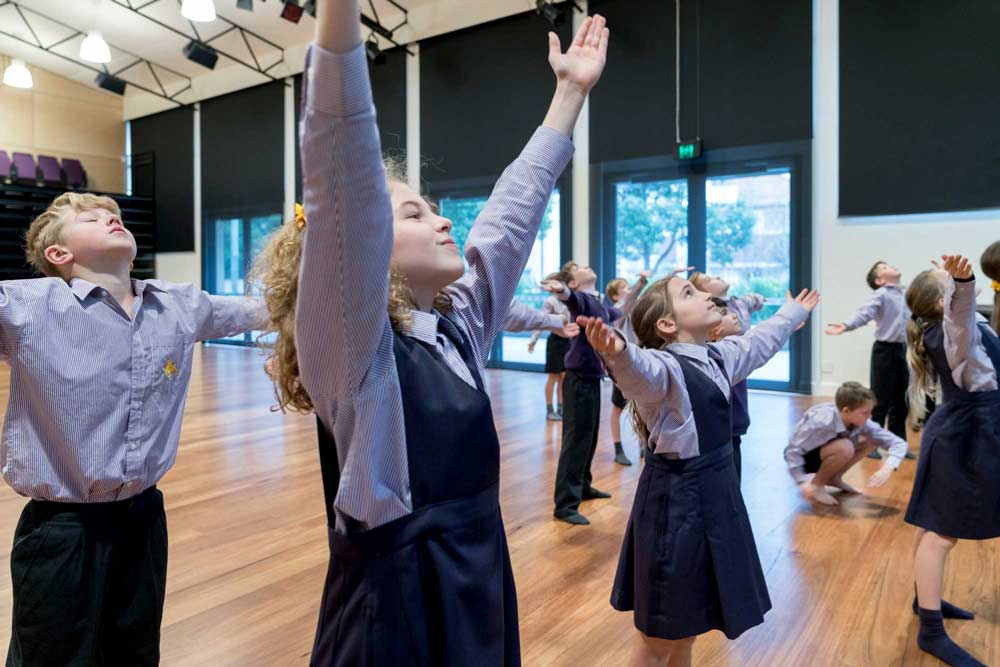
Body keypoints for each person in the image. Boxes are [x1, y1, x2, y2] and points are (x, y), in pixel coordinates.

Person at [256, 1, 608, 662]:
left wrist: (568, 93)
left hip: (477, 575)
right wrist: (338, 18)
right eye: (416, 212)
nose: (444, 220)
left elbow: (509, 219)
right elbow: (341, 169)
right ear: (361, 249)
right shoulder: (357, 348)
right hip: (398, 606)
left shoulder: (452, 331)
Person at [1, 192, 266, 665]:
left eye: (115, 214)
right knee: (50, 656)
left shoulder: (179, 305)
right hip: (61, 529)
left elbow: (267, 308)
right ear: (59, 254)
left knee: (135, 651)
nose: (111, 217)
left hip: (143, 518)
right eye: (90, 217)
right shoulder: (25, 306)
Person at [582, 274, 818, 667]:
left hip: (716, 499)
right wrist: (618, 353)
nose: (708, 295)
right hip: (675, 508)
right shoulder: (664, 369)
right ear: (667, 325)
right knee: (658, 636)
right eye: (689, 293)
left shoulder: (719, 356)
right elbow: (639, 369)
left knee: (687, 628)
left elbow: (761, 341)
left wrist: (792, 312)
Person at [903, 254, 999, 667]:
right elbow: (961, 317)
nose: (962, 287)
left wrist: (955, 281)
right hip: (966, 435)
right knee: (942, 533)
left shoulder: (952, 326)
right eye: (952, 287)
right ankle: (930, 630)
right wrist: (961, 282)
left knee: (934, 527)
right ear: (945, 302)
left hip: (970, 428)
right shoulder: (951, 330)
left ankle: (926, 598)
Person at [543, 265, 620, 525]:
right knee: (576, 440)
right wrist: (562, 289)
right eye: (580, 268)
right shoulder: (583, 300)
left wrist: (639, 287)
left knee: (588, 437)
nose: (585, 267)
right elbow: (570, 298)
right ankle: (565, 504)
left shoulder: (597, 303)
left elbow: (619, 311)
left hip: (592, 379)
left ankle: (583, 487)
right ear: (575, 283)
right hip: (578, 381)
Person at [825, 261, 914, 458]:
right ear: (879, 280)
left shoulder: (905, 294)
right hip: (884, 351)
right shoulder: (881, 295)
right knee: (880, 399)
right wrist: (846, 325)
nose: (891, 266)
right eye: (884, 267)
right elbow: (864, 313)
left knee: (901, 400)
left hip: (901, 351)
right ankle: (871, 444)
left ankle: (898, 443)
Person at [783, 381, 905, 505]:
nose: (869, 416)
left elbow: (899, 443)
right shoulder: (821, 421)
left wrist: (887, 468)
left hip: (826, 451)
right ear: (846, 410)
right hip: (804, 459)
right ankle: (817, 485)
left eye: (870, 412)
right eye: (864, 413)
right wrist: (802, 482)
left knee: (872, 440)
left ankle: (834, 478)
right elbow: (792, 451)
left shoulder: (863, 423)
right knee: (845, 447)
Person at [527, 270, 575, 421]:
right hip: (555, 342)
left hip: (568, 340)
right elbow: (542, 321)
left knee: (563, 377)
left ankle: (561, 408)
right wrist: (533, 340)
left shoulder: (568, 299)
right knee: (553, 376)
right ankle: (549, 410)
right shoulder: (550, 302)